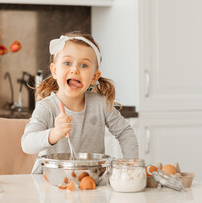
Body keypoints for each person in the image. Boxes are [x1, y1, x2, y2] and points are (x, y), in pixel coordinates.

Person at [21, 32, 139, 173]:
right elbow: (27, 144)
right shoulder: (46, 107)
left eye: (84, 65)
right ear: (54, 70)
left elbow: (126, 133)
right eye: (67, 63)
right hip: (50, 182)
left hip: (91, 180)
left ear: (94, 77)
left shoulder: (101, 105)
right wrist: (55, 133)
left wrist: (131, 167)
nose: (75, 70)